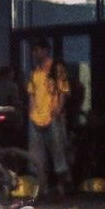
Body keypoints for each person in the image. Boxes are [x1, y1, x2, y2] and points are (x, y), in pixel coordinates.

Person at [27, 40, 70, 200]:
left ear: (46, 50)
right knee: (37, 155)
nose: (35, 53)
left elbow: (63, 91)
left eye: (37, 50)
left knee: (58, 152)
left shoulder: (56, 69)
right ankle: (41, 189)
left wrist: (58, 110)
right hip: (35, 117)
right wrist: (31, 112)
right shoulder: (35, 71)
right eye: (34, 50)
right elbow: (31, 93)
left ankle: (60, 187)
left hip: (52, 117)